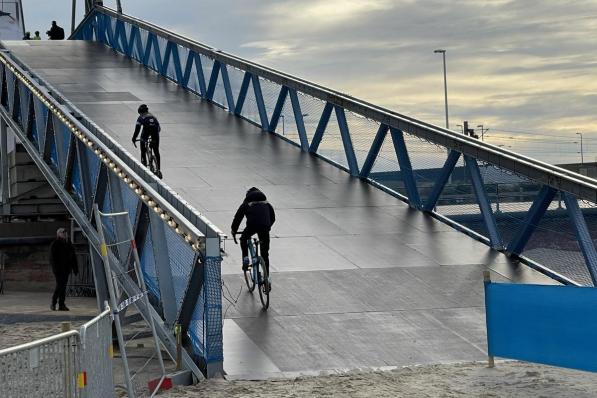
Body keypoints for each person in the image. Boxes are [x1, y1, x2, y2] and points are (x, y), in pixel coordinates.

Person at [231, 187, 276, 282]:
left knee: (243, 238)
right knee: (265, 253)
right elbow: (273, 218)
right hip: (265, 227)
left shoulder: (246, 203)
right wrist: (267, 226)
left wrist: (234, 230)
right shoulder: (267, 204)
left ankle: (246, 258)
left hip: (252, 226)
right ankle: (266, 278)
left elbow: (238, 218)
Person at [49, 228, 78, 311]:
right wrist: (56, 269)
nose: (65, 234)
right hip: (58, 270)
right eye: (63, 233)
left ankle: (61, 305)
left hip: (66, 269)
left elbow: (73, 256)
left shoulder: (68, 243)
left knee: (63, 287)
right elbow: (52, 258)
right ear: (58, 234)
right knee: (60, 286)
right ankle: (54, 303)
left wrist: (75, 268)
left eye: (65, 232)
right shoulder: (55, 244)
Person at [132, 104, 162, 178]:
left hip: (146, 131)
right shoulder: (153, 116)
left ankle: (144, 165)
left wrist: (134, 138)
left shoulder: (140, 118)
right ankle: (158, 169)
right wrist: (154, 140)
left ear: (140, 112)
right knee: (156, 150)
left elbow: (137, 129)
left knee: (143, 148)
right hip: (155, 132)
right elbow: (159, 128)